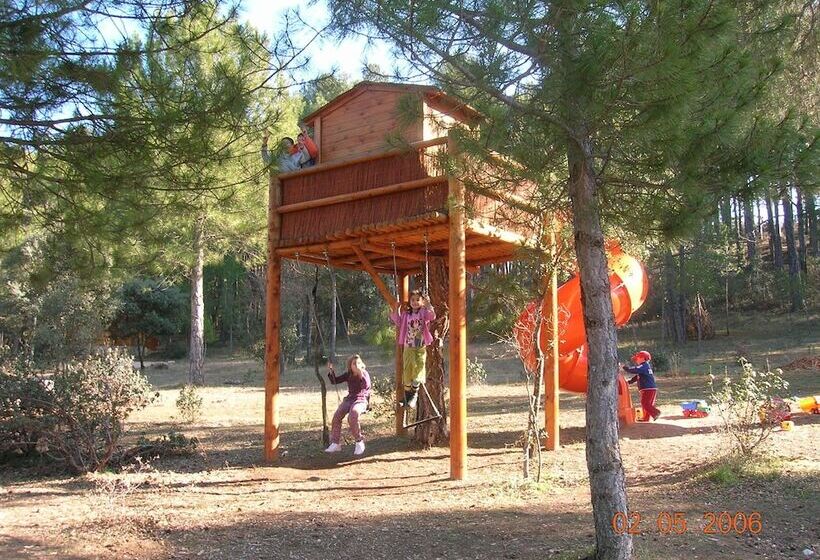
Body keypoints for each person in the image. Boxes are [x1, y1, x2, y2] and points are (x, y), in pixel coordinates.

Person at [390, 289, 436, 409]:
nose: (415, 302)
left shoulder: (423, 313)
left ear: (422, 301)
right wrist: (397, 308)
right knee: (408, 368)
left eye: (418, 300)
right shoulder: (406, 314)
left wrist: (428, 304)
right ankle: (407, 396)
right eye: (412, 300)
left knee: (419, 367)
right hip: (408, 345)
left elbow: (432, 316)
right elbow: (397, 320)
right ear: (409, 302)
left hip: (420, 345)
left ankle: (414, 394)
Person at [325, 354, 371, 456]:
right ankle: (335, 443)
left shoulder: (364, 374)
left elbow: (366, 386)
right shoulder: (348, 375)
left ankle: (359, 441)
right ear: (350, 366)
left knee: (353, 414)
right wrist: (330, 370)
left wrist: (360, 373)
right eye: (354, 363)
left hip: (361, 400)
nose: (357, 365)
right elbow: (334, 381)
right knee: (337, 416)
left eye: (358, 363)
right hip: (350, 399)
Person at [622, 350, 661, 421]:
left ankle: (656, 413)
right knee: (648, 404)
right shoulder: (644, 367)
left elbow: (635, 370)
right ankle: (646, 418)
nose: (636, 360)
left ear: (643, 358)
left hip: (648, 388)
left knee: (645, 403)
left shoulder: (644, 366)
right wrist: (630, 382)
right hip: (649, 388)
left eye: (637, 358)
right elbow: (637, 376)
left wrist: (625, 368)